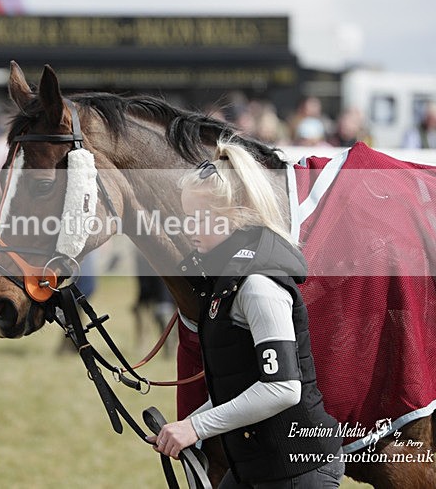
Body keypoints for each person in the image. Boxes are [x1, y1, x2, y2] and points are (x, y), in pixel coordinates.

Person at [147, 139, 344, 488]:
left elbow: (282, 388)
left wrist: (194, 427)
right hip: (261, 467)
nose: (188, 228)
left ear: (235, 216)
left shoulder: (258, 285)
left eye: (198, 218)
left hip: (297, 471)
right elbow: (239, 385)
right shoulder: (227, 279)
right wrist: (181, 429)